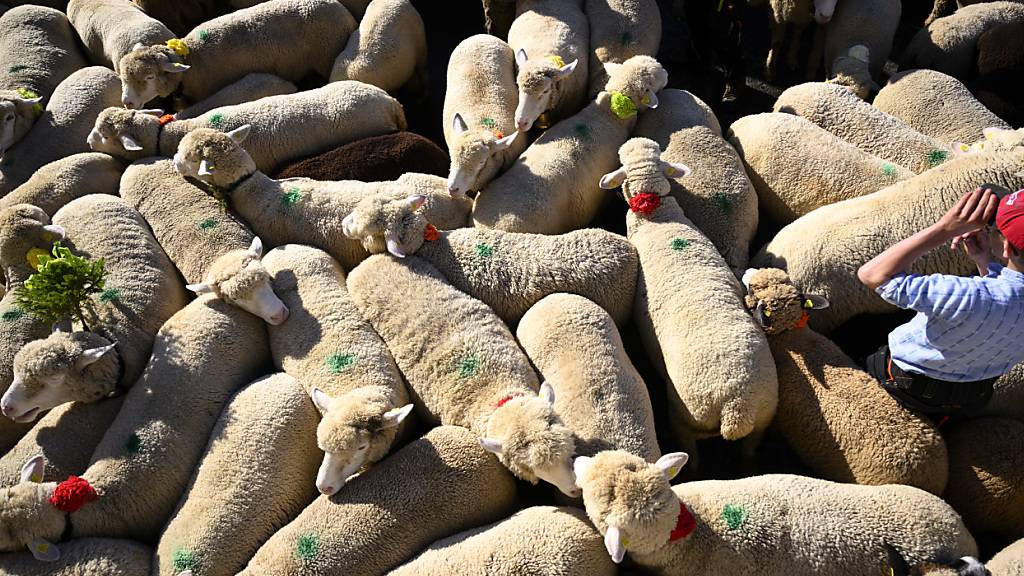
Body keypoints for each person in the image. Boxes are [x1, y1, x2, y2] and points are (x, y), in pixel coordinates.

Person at [857, 186, 1024, 425]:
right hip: (966, 399)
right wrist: (984, 260)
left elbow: (872, 274)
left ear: (1007, 247)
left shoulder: (964, 294)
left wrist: (945, 228)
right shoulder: (980, 296)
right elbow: (1005, 309)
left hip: (899, 384)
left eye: (994, 228)